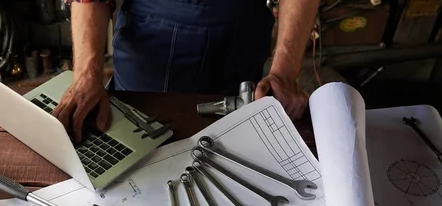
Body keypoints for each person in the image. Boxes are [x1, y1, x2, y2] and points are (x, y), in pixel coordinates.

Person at [54, 0, 320, 142]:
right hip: (149, 56)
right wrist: (87, 75)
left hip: (240, 47)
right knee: (133, 159)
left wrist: (284, 72)